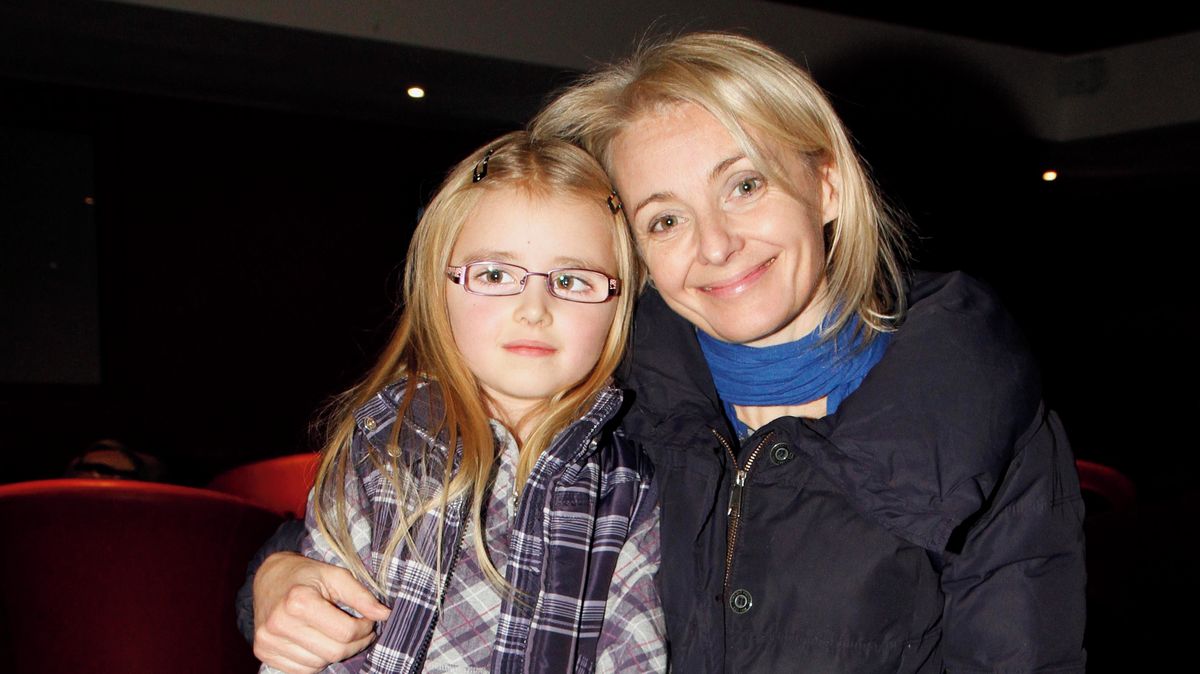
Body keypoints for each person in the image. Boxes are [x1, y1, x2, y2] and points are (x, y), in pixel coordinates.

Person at [246, 32, 1086, 673]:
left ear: (826, 185)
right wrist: (273, 583)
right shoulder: (606, 393)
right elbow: (389, 522)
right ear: (635, 254)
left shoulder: (971, 412)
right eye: (665, 218)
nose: (715, 244)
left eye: (745, 185)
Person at [255, 131, 664, 673]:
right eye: (494, 274)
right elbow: (306, 645)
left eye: (572, 280)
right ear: (438, 287)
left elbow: (636, 655)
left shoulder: (632, 489)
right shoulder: (379, 447)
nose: (534, 308)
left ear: (619, 302)